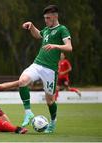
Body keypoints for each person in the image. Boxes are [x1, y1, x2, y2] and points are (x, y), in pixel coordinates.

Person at [19, 5, 73, 133]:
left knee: (50, 101)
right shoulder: (47, 29)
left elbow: (69, 47)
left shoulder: (62, 29)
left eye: (48, 18)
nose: (46, 20)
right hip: (37, 64)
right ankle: (28, 113)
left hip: (50, 70)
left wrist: (55, 46)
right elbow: (38, 35)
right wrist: (31, 26)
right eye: (45, 18)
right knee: (22, 81)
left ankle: (53, 122)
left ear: (55, 16)